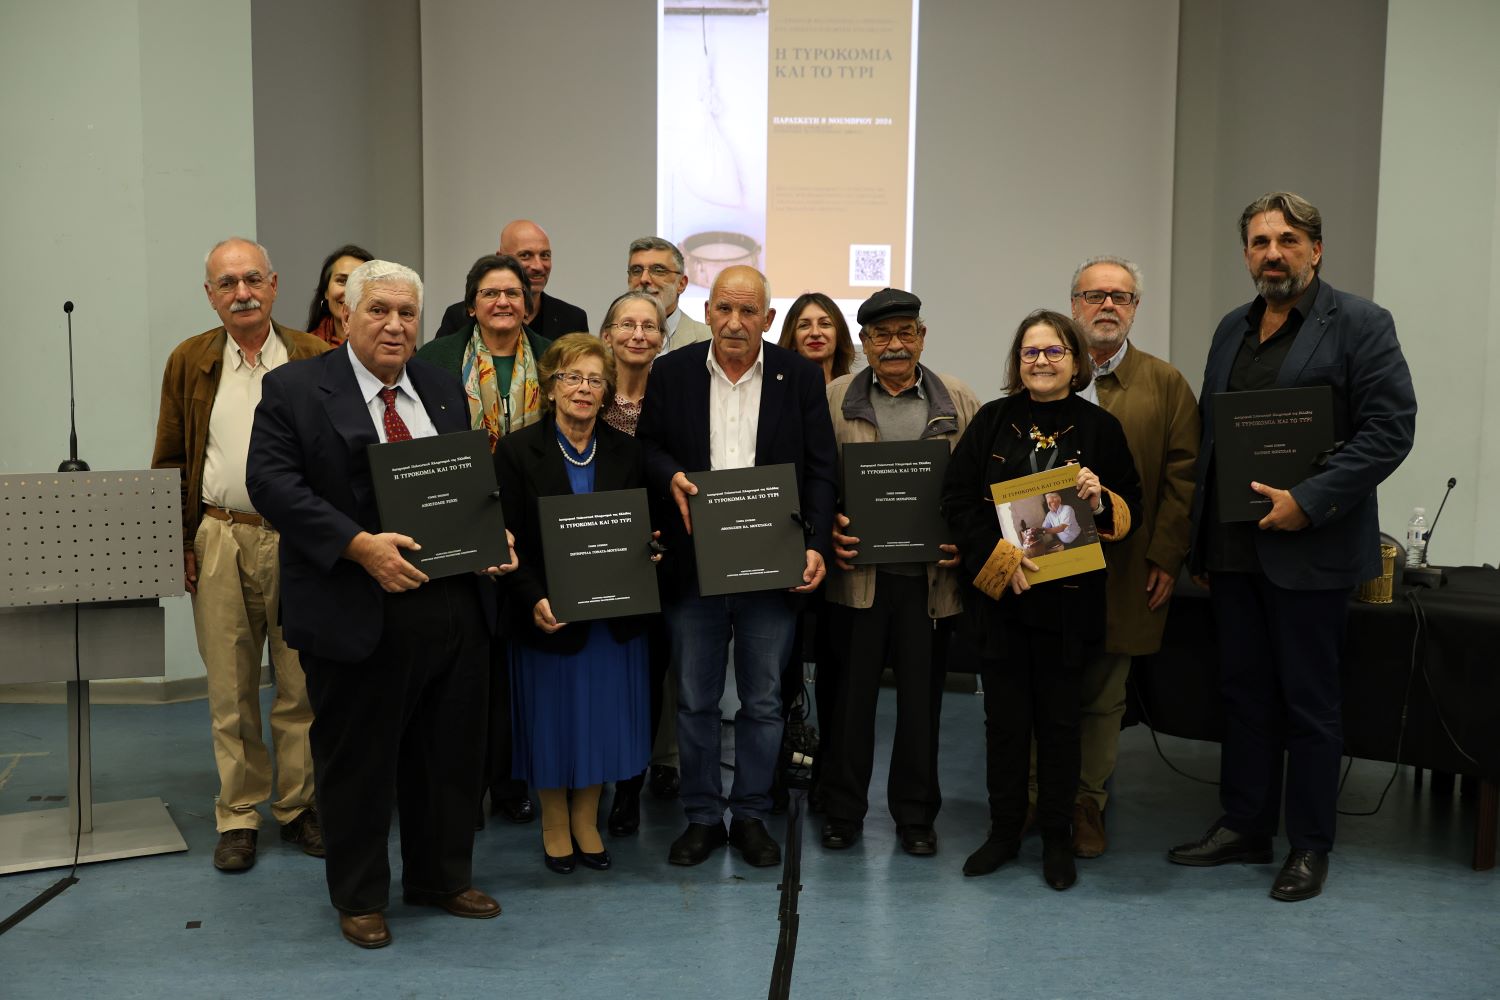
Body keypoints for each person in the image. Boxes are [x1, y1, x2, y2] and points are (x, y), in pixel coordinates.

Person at [247, 259, 513, 949]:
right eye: (379, 311)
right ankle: (361, 895)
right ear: (346, 315)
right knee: (358, 762)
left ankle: (441, 878)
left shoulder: (440, 386)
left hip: (450, 604)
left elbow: (461, 481)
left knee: (448, 754)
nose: (395, 326)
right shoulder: (295, 388)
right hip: (355, 607)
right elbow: (271, 484)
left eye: (407, 314)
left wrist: (492, 533)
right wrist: (359, 546)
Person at [1168, 192, 1416, 902]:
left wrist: (1308, 501)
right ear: (1246, 254)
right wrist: (1199, 544)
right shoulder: (1231, 328)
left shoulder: (1361, 323)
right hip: (1234, 548)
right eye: (1259, 242)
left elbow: (1389, 430)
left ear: (1316, 249)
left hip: (1312, 547)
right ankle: (1245, 825)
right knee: (1243, 694)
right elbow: (1213, 439)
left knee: (1309, 702)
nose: (1272, 254)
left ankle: (1309, 843)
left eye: (1287, 240)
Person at [637, 265, 838, 869]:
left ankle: (749, 815)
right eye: (724, 308)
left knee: (764, 701)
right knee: (695, 699)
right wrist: (669, 474)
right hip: (693, 565)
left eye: (748, 311)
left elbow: (820, 468)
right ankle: (702, 817)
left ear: (768, 319)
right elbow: (646, 448)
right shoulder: (672, 372)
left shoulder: (797, 377)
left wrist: (814, 545)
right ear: (707, 311)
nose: (734, 322)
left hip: (771, 566)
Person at [942, 309, 1141, 890]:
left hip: (1070, 606)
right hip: (1004, 602)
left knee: (1060, 724)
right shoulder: (992, 421)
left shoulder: (1100, 428)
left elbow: (1130, 505)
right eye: (1031, 352)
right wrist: (1000, 560)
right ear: (1017, 362)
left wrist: (1099, 499)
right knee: (1004, 725)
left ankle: (1057, 837)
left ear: (1075, 362)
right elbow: (958, 500)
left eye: (1054, 351)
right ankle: (1004, 832)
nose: (1042, 361)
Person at [151, 237, 328, 873]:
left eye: (252, 279)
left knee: (300, 681)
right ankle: (239, 815)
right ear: (210, 295)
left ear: (274, 285)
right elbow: (171, 457)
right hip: (220, 536)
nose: (242, 293)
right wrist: (178, 543)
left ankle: (299, 806)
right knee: (230, 687)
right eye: (227, 284)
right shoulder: (190, 360)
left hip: (299, 541)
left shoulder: (313, 356)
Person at [1031, 254, 1198, 858]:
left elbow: (1184, 478)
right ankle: (1035, 797)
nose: (1107, 305)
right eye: (1094, 295)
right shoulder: (1044, 373)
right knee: (1043, 685)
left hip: (1125, 569)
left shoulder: (1166, 384)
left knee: (1104, 696)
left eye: (1120, 297)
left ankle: (1086, 803)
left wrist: (1167, 555)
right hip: (1048, 565)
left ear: (1135, 308)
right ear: (1073, 305)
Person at [820, 287, 980, 856]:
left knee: (921, 706)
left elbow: (977, 487)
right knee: (850, 705)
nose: (894, 345)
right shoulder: (834, 398)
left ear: (922, 337)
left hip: (929, 584)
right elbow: (816, 480)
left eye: (905, 333)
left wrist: (965, 542)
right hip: (857, 582)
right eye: (881, 335)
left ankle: (916, 817)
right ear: (864, 343)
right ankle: (842, 812)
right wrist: (827, 529)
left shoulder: (958, 399)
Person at [495, 333, 658, 873]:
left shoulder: (628, 451)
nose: (583, 389)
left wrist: (651, 551)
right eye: (571, 377)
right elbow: (507, 539)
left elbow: (646, 530)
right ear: (550, 386)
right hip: (548, 615)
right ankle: (554, 821)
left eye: (595, 379)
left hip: (612, 618)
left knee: (601, 720)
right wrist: (533, 599)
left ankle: (587, 818)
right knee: (552, 721)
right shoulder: (517, 451)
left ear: (607, 391)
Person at [413, 252, 551, 826]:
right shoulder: (435, 360)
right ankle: (462, 789)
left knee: (521, 666)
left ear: (528, 304)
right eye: (491, 293)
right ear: (471, 305)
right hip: (460, 526)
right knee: (465, 668)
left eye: (513, 293)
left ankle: (512, 780)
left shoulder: (552, 357)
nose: (503, 302)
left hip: (535, 526)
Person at [595, 290, 679, 834]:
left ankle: (630, 786)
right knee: (597, 674)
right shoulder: (587, 392)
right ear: (607, 335)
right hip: (591, 555)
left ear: (662, 340)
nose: (638, 335)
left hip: (657, 560)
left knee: (645, 678)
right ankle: (588, 780)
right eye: (627, 324)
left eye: (650, 327)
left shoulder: (676, 400)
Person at [435, 220, 589, 340]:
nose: (538, 266)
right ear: (501, 258)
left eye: (545, 255)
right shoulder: (459, 318)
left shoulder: (573, 320)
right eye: (525, 255)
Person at [627, 236, 710, 353]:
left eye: (658, 270)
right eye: (636, 270)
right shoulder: (612, 341)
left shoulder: (708, 339)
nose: (644, 279)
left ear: (681, 284)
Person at [304, 243, 374, 347]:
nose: (349, 291)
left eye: (359, 282)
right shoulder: (304, 348)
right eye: (342, 281)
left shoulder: (388, 346)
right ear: (326, 291)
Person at [778, 292, 856, 384]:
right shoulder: (777, 388)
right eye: (804, 325)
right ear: (792, 338)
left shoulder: (855, 388)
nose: (815, 333)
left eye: (825, 324)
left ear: (839, 334)